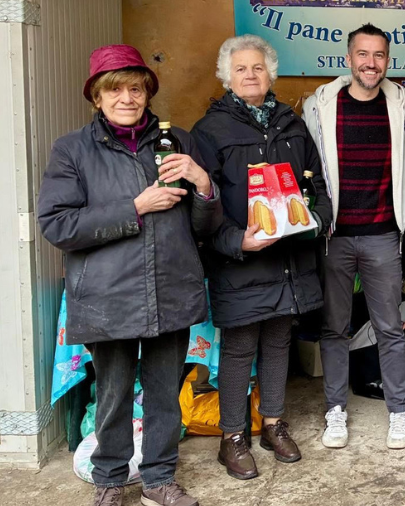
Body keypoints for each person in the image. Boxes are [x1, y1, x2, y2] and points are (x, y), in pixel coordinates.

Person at [38, 44, 222, 506]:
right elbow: (57, 225)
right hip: (108, 295)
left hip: (169, 287)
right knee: (114, 395)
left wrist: (202, 183)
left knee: (164, 393)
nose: (127, 98)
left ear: (147, 93)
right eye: (115, 89)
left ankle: (159, 480)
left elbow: (205, 227)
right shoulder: (72, 149)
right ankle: (110, 481)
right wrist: (135, 207)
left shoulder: (176, 141)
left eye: (136, 88)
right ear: (97, 98)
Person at [191, 35, 332, 480]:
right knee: (238, 349)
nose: (250, 75)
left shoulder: (292, 125)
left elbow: (317, 189)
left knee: (278, 343)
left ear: (270, 73)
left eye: (257, 68)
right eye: (241, 69)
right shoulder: (209, 131)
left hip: (289, 260)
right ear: (226, 78)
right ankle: (232, 436)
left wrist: (316, 221)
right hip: (242, 260)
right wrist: (238, 242)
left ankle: (273, 424)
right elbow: (201, 206)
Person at [302, 23, 405, 450]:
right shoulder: (320, 105)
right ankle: (335, 410)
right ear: (348, 58)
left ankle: (399, 412)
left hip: (383, 237)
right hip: (335, 237)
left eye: (379, 56)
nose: (371, 63)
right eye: (363, 54)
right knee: (334, 328)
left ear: (387, 62)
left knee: (390, 327)